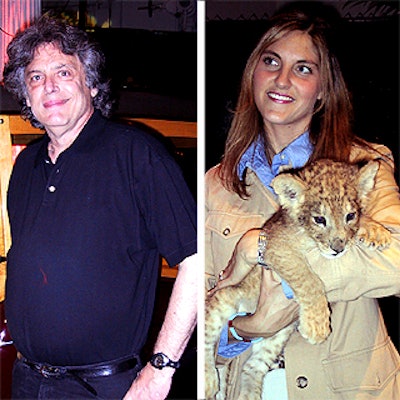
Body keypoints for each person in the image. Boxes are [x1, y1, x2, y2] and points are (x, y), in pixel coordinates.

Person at [205, 3, 400, 400]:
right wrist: (248, 328)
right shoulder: (216, 183)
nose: (282, 79)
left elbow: (396, 257)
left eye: (304, 69)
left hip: (344, 388)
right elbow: (205, 299)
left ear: (323, 91)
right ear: (252, 75)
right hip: (250, 385)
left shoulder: (363, 164)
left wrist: (294, 284)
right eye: (271, 61)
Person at [3, 15, 197, 399]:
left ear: (90, 83)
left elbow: (195, 260)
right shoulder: (25, 165)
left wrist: (161, 368)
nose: (50, 87)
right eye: (36, 77)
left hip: (102, 387)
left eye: (63, 72)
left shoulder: (136, 153)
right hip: (27, 379)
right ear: (25, 96)